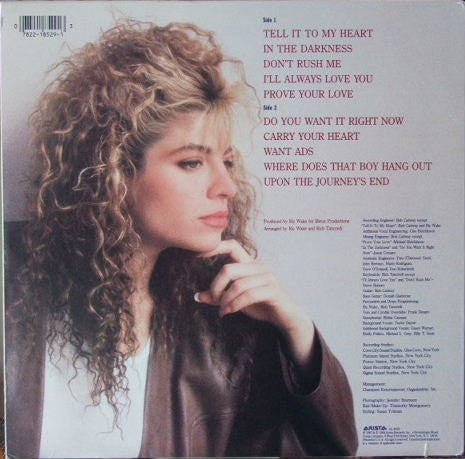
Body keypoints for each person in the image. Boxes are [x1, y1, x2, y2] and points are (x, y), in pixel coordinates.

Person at [5, 21, 358, 458]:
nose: (227, 186)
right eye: (192, 163)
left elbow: (326, 450)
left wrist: (297, 334)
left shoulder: (219, 327)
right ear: (113, 172)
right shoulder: (10, 280)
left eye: (228, 162)